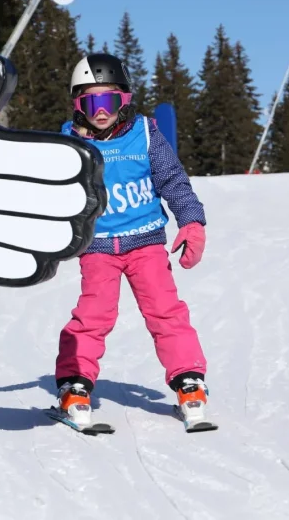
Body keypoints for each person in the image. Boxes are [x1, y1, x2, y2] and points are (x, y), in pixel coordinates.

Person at [53, 52, 210, 428]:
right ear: (78, 105)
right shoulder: (69, 142)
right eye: (91, 102)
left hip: (146, 245)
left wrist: (191, 221)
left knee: (165, 311)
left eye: (108, 100)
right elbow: (55, 192)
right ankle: (75, 383)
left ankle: (189, 381)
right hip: (97, 248)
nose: (100, 110)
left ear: (124, 100)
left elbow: (173, 180)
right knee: (93, 317)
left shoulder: (145, 133)